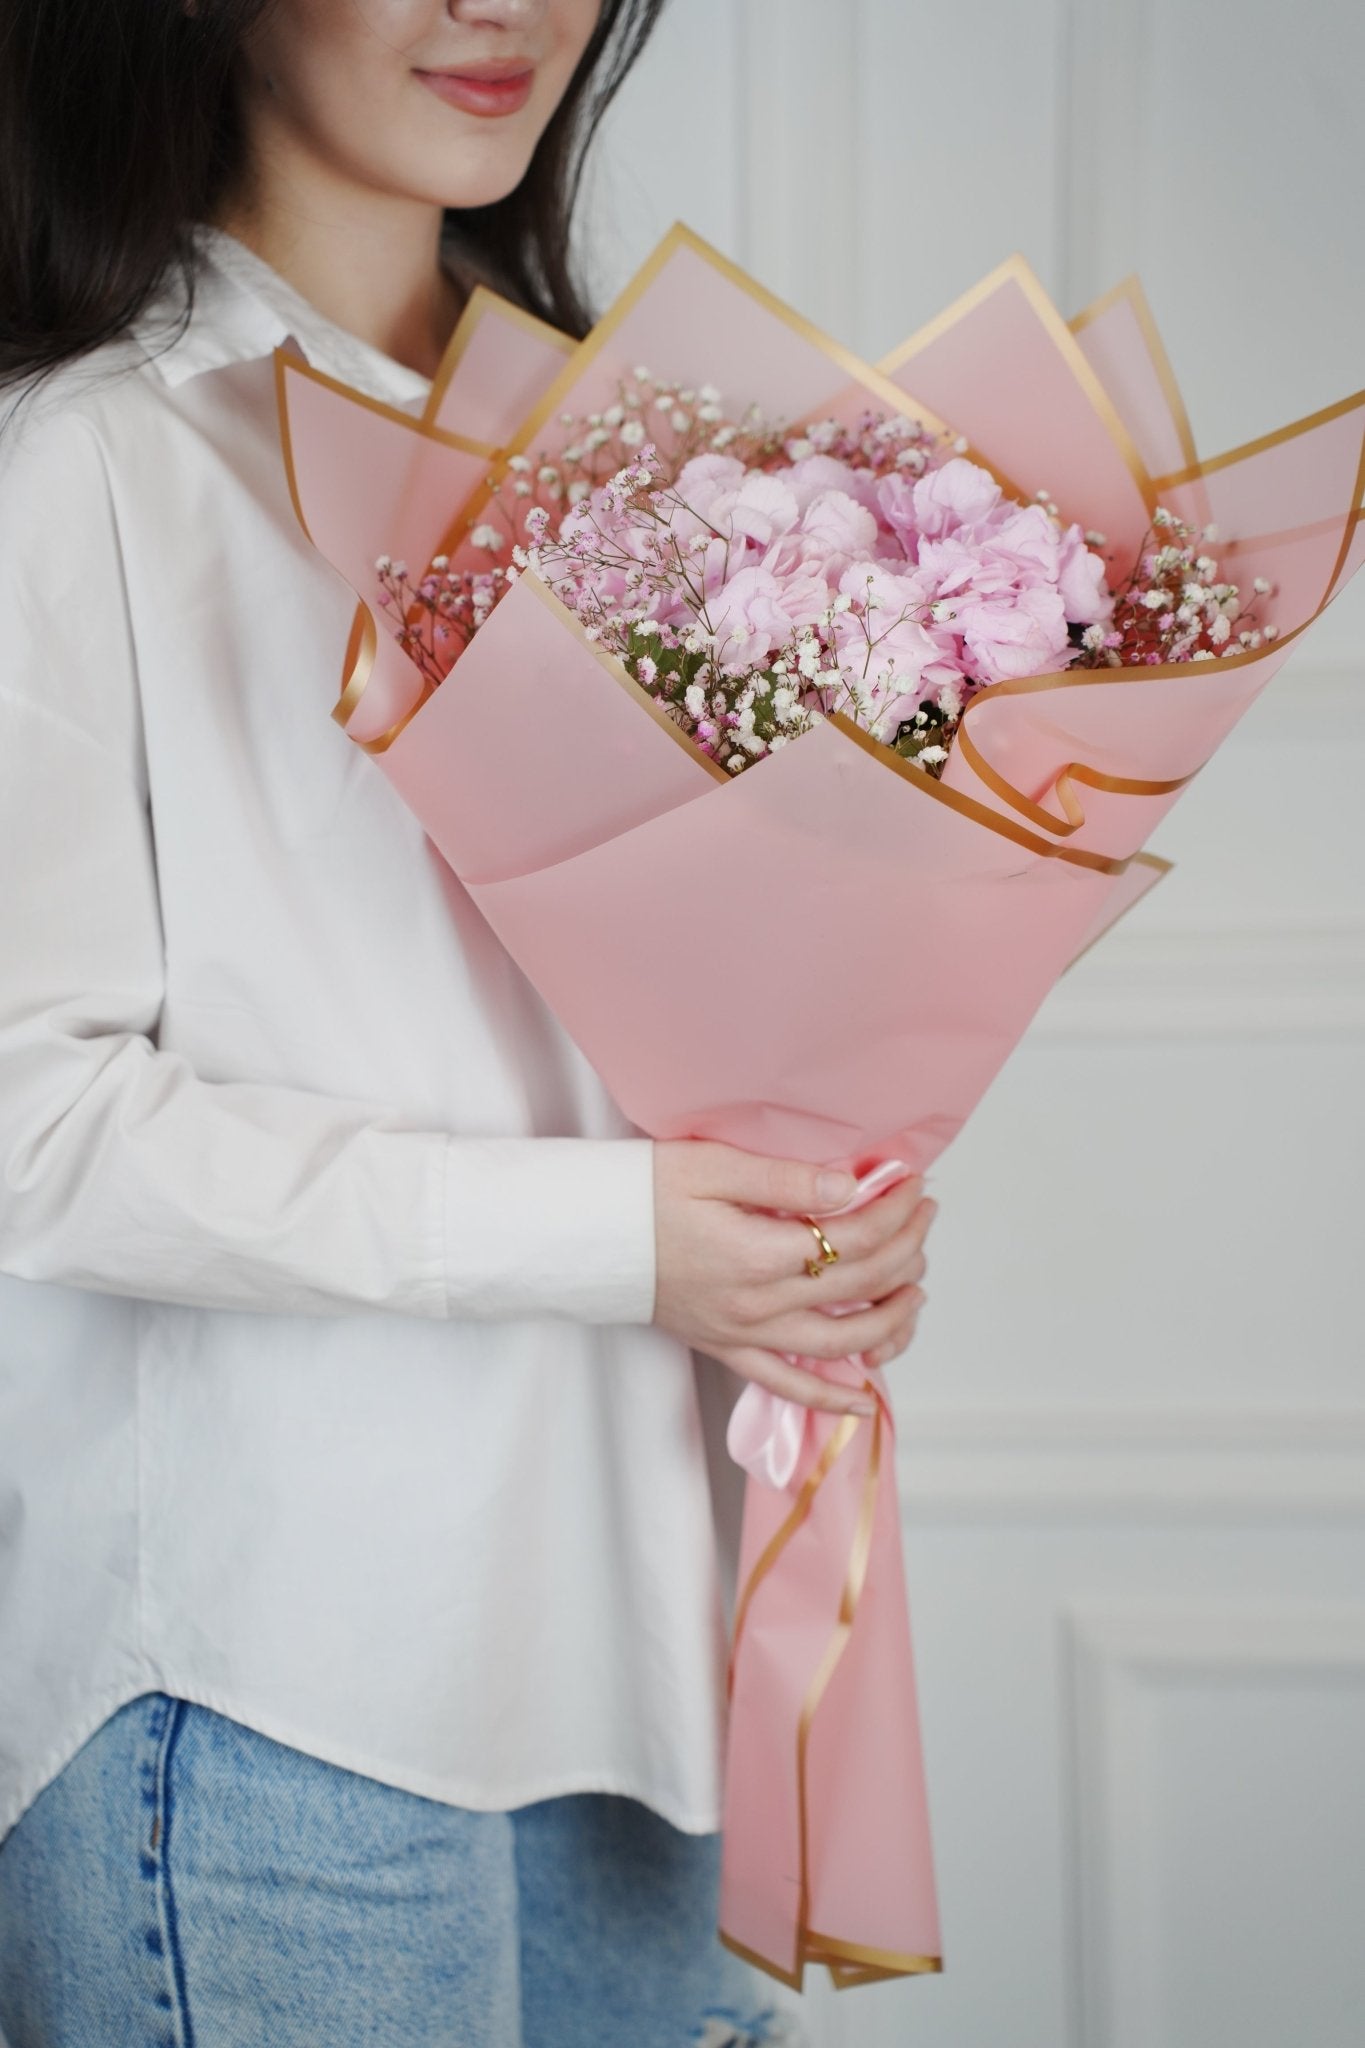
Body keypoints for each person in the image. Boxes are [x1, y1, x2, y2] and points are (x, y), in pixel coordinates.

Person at [0, 2, 936, 2041]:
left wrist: (814, 1222)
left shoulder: (661, 471)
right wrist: (623, 1235)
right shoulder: (80, 462)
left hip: (635, 1678)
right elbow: (32, 1130)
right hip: (270, 1690)